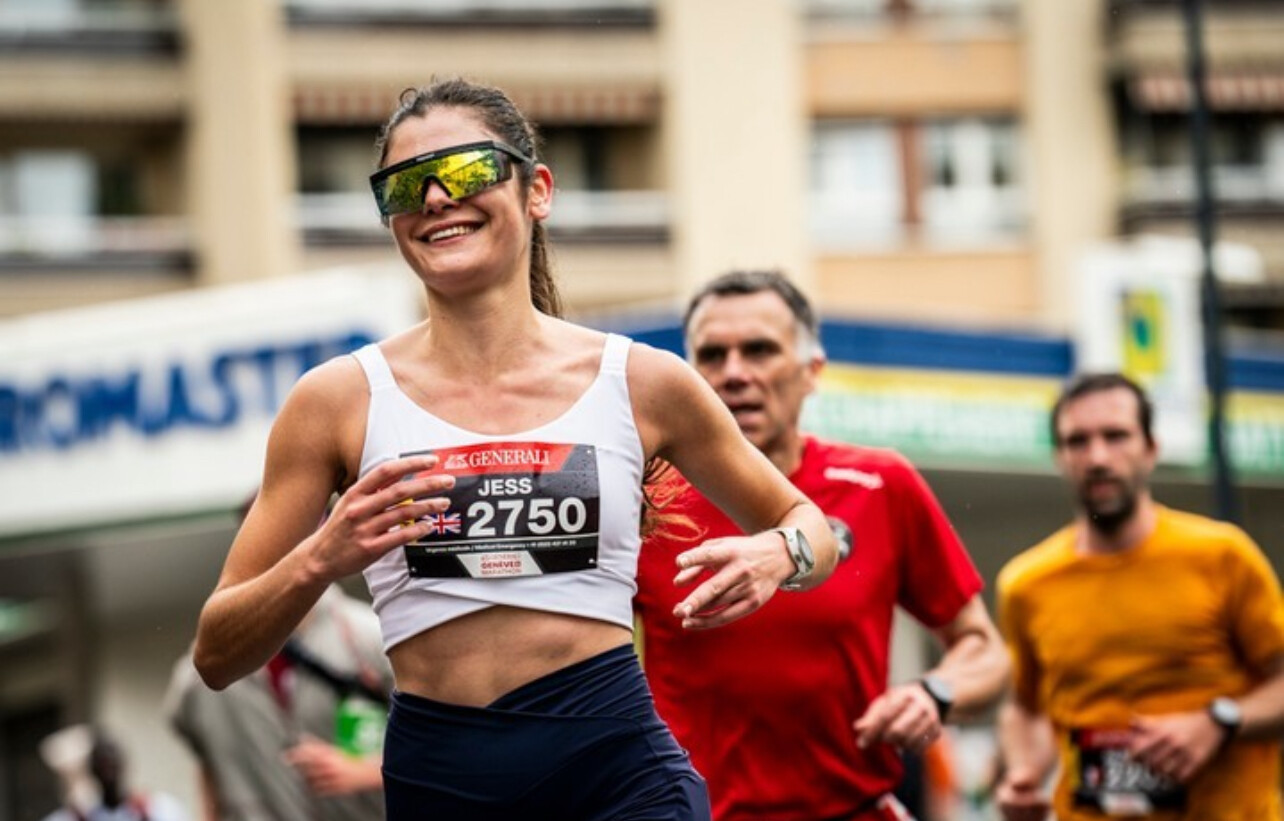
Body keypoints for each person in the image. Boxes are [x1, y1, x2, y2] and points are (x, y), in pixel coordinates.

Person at [189, 78, 837, 821]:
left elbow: (811, 526)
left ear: (538, 191)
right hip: (441, 780)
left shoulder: (641, 380)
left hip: (618, 775)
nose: (436, 197)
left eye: (466, 170)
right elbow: (216, 654)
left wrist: (779, 552)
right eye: (405, 185)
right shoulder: (338, 399)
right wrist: (321, 557)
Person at [634, 270, 1009, 821]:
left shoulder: (881, 485)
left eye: (759, 350)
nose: (734, 373)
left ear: (811, 370)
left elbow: (985, 649)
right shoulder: (645, 498)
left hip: (854, 809)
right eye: (713, 355)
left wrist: (934, 693)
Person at [995, 372, 1284, 820]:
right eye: (1077, 441)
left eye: (1116, 436)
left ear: (1151, 448)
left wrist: (1220, 721)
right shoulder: (1026, 583)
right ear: (1059, 456)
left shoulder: (1222, 555)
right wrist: (1023, 773)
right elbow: (1025, 707)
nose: (1097, 457)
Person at [165, 581, 390, 821]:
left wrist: (367, 772)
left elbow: (423, 746)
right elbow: (210, 764)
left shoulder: (367, 636)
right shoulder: (208, 666)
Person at [40, 728, 189, 821]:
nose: (108, 774)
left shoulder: (160, 810)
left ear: (124, 765)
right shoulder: (72, 817)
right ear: (92, 771)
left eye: (112, 766)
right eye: (102, 766)